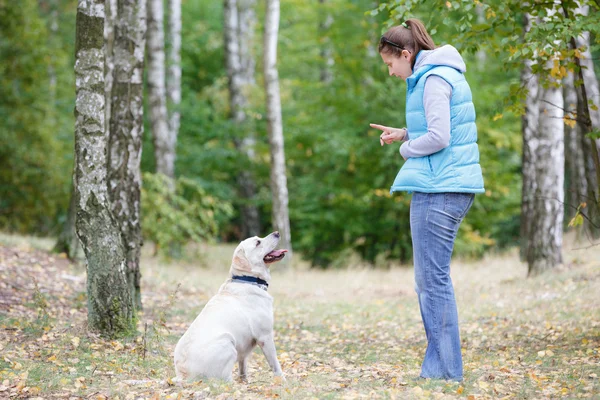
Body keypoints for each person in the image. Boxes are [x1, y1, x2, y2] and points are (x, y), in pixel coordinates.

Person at [369, 18, 484, 381]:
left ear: (406, 54)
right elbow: (436, 127)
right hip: (446, 184)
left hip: (441, 188)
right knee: (431, 280)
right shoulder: (438, 74)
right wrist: (402, 132)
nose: (391, 73)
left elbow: (439, 137)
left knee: (432, 281)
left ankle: (445, 372)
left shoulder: (433, 79)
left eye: (390, 65)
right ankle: (441, 369)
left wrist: (406, 148)